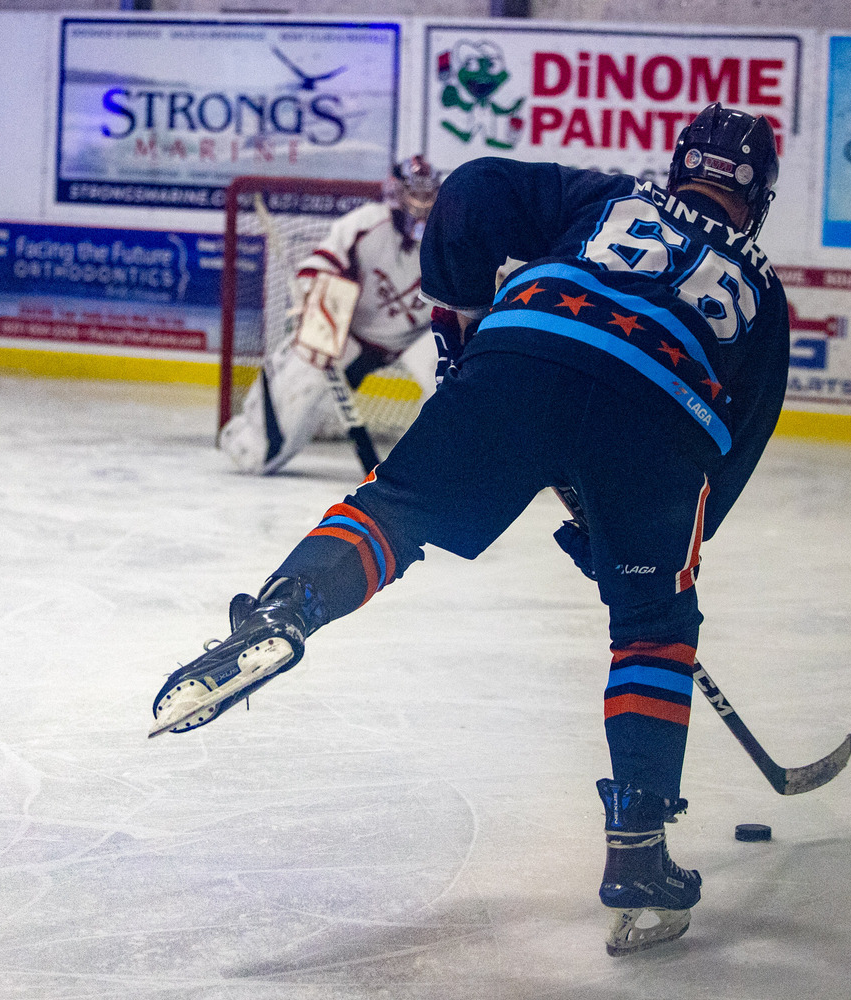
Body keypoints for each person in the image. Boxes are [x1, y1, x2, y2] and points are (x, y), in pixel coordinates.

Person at [152, 104, 789, 956]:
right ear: (763, 196)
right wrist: (625, 549)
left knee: (395, 508)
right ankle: (638, 852)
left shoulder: (612, 198)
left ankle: (284, 610)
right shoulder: (767, 298)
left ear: (678, 165)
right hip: (661, 417)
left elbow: (475, 187)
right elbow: (732, 456)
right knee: (654, 627)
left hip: (526, 347)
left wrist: (456, 319)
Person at [220, 156, 444, 475]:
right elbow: (322, 264)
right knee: (271, 441)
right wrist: (313, 292)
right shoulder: (367, 223)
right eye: (415, 194)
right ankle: (252, 435)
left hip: (416, 338)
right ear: (396, 192)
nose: (422, 204)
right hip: (349, 334)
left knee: (452, 375)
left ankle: (447, 466)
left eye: (429, 194)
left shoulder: (450, 234)